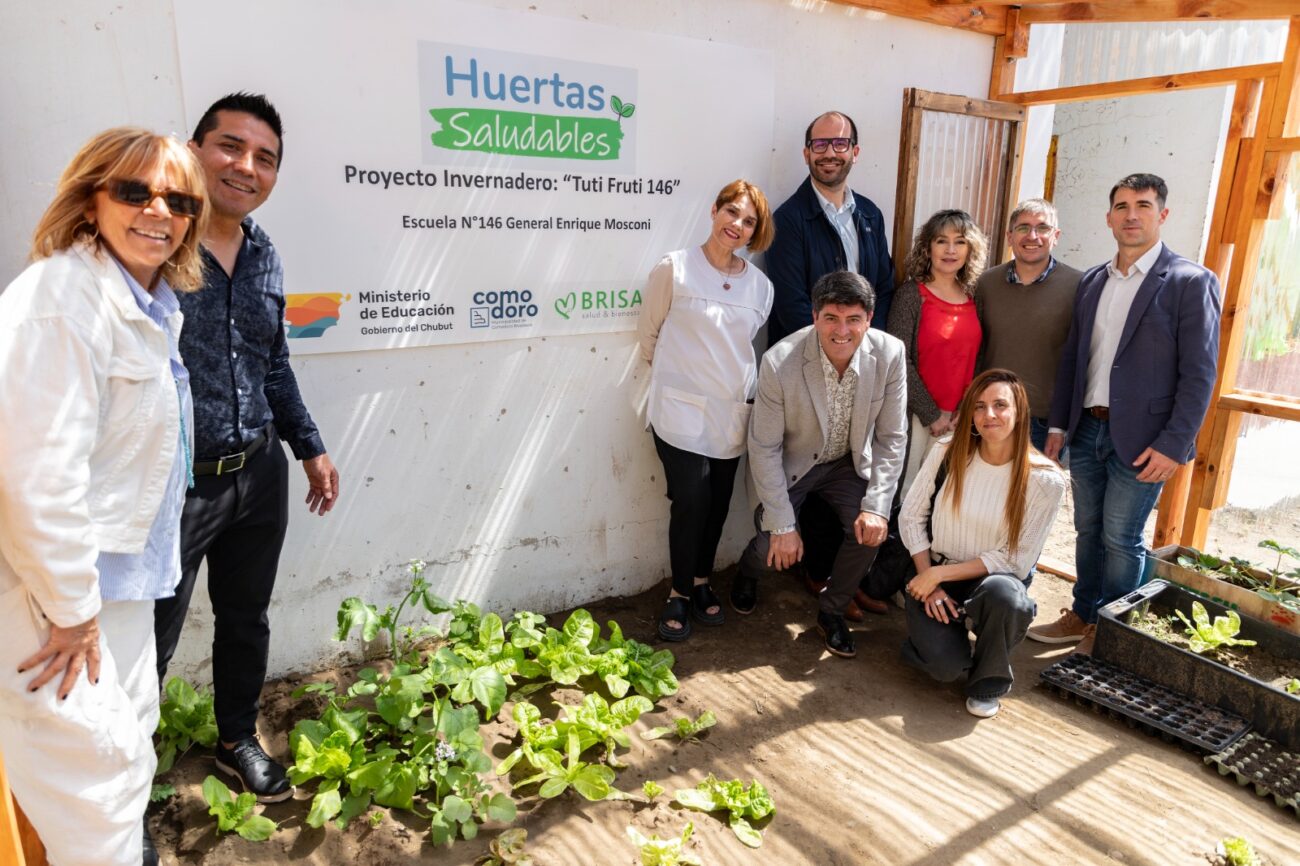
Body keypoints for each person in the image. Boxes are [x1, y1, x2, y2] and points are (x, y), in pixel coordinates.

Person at [0, 127, 208, 866]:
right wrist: (72, 610)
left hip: (119, 579)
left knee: (128, 745)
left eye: (180, 201)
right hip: (59, 603)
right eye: (134, 190)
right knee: (94, 782)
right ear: (90, 199)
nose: (159, 211)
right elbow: (38, 475)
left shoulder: (143, 299)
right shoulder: (62, 300)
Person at [153, 92, 341, 802]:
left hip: (258, 472)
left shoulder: (265, 255)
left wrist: (308, 446)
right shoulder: (154, 246)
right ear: (194, 150)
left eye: (265, 157)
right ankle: (126, 785)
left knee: (245, 618)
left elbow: (272, 362)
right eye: (230, 146)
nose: (246, 166)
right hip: (176, 485)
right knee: (148, 639)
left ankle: (236, 737)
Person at [1030, 173, 1221, 656]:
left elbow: (1200, 375)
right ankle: (1083, 613)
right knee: (1087, 529)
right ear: (1109, 217)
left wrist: (1174, 444)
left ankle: (1111, 630)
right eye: (1122, 206)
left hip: (1146, 439)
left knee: (1121, 536)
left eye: (1143, 205)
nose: (1131, 215)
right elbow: (1075, 358)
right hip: (1087, 428)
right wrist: (1059, 425)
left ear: (1163, 214)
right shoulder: (1094, 280)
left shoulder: (1190, 282)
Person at [763, 110, 897, 618]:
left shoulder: (871, 215)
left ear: (854, 152)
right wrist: (835, 346)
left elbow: (883, 287)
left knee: (853, 469)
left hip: (861, 363)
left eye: (840, 144)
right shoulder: (789, 219)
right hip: (810, 363)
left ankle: (845, 579)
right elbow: (792, 303)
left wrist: (866, 349)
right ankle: (817, 575)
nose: (830, 153)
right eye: (820, 144)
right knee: (814, 463)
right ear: (806, 153)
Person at [732, 271, 907, 658]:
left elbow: (892, 438)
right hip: (793, 464)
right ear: (814, 316)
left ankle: (832, 611)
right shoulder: (779, 361)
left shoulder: (891, 354)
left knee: (870, 530)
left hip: (847, 463)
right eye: (831, 318)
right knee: (771, 547)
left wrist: (877, 506)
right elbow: (764, 447)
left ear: (869, 318)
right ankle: (747, 572)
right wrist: (782, 525)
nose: (841, 331)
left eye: (853, 319)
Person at [637, 179, 775, 641]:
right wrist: (678, 376)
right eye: (732, 212)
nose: (737, 225)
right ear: (714, 211)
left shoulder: (760, 287)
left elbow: (745, 346)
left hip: (729, 411)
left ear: (755, 232)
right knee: (691, 500)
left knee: (717, 504)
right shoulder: (674, 269)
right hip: (678, 411)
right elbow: (649, 334)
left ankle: (700, 582)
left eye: (749, 221)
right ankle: (678, 591)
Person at [899, 370, 1067, 719]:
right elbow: (911, 516)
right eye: (979, 406)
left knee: (1006, 597)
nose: (989, 414)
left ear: (1019, 411)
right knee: (945, 668)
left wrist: (939, 575)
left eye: (1000, 405)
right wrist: (929, 579)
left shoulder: (1045, 479)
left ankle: (988, 681)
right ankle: (937, 640)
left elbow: (1017, 560)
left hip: (992, 582)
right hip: (937, 571)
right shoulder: (948, 451)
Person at [887, 209, 988, 497]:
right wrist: (931, 414)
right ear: (927, 247)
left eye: (960, 242)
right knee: (906, 494)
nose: (950, 250)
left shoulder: (974, 296)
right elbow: (898, 360)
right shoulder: (911, 295)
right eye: (942, 241)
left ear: (970, 249)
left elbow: (979, 356)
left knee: (942, 496)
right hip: (917, 416)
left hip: (958, 417)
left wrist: (966, 407)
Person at [976, 199, 1081, 455]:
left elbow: (1079, 360)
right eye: (1023, 228)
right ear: (1009, 236)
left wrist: (1059, 426)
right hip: (990, 415)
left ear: (1056, 236)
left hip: (1043, 421)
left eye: (1042, 228)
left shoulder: (1079, 286)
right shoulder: (986, 283)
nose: (1032, 236)